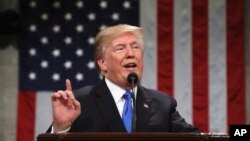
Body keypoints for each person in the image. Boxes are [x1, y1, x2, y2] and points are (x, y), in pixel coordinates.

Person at [47, 24, 199, 133]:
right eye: (120, 48)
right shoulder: (80, 102)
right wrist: (61, 128)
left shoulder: (163, 104)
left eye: (135, 47)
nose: (130, 53)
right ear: (103, 63)